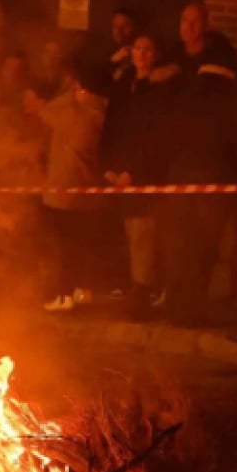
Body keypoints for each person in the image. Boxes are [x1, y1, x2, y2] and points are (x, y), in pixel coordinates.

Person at [158, 14, 237, 326]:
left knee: (190, 247)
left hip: (199, 182)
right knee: (194, 248)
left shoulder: (198, 92)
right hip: (203, 182)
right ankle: (185, 307)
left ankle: (183, 307)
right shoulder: (219, 94)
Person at [98, 35, 179, 315]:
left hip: (145, 174)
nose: (142, 54)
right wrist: (108, 166)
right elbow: (113, 127)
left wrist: (132, 173)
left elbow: (154, 137)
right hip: (118, 172)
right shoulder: (123, 85)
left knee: (143, 234)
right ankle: (134, 290)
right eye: (138, 49)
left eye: (148, 49)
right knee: (130, 233)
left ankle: (142, 296)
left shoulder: (161, 90)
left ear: (156, 55)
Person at [24, 53, 111, 311]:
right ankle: (83, 293)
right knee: (83, 247)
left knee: (63, 250)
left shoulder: (77, 114)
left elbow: (45, 110)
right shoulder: (102, 110)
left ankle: (64, 296)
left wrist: (71, 96)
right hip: (88, 195)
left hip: (64, 194)